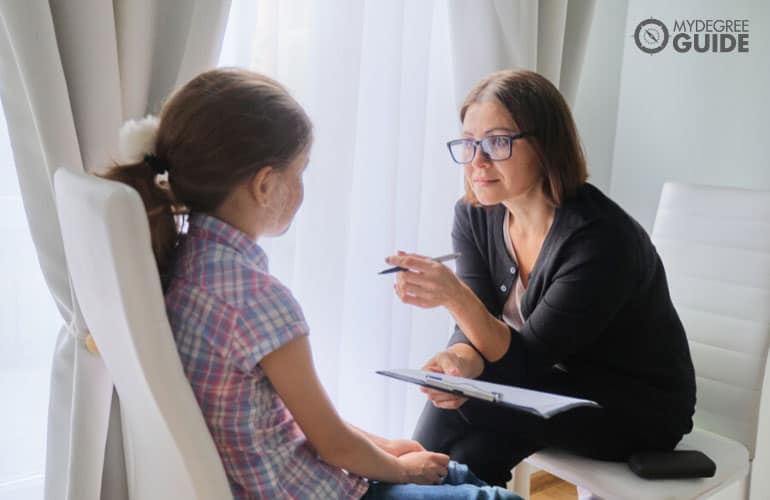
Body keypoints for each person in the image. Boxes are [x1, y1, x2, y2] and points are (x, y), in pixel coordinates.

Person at [102, 68, 520, 500]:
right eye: (300, 171)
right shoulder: (259, 301)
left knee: (457, 475)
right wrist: (398, 469)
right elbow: (333, 443)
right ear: (265, 185)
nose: (302, 186)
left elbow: (293, 418)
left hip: (290, 475)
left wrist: (384, 447)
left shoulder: (182, 264)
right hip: (312, 491)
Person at [386, 69, 697, 487]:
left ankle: (402, 490)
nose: (477, 161)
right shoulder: (476, 213)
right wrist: (457, 363)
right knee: (463, 443)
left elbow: (522, 364)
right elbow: (479, 325)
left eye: (497, 141)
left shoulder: (600, 238)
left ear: (546, 145)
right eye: (469, 142)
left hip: (632, 406)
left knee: (465, 430)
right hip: (547, 384)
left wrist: (453, 296)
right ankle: (401, 488)